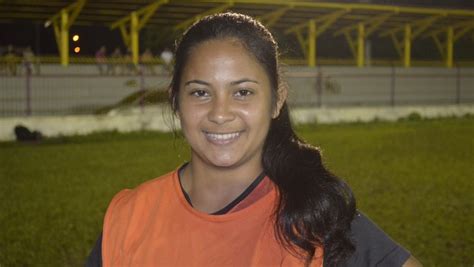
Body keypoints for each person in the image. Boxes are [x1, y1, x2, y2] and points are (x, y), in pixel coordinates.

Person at [87, 13, 422, 267]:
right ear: (175, 101)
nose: (221, 113)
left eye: (243, 92)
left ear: (277, 100)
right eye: (201, 92)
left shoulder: (314, 214)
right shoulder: (129, 216)